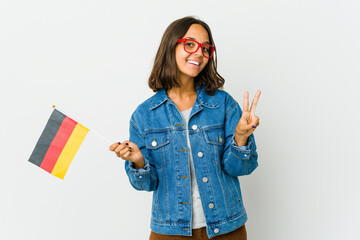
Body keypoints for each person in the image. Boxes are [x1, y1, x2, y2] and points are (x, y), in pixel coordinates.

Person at [109, 16, 261, 240]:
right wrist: (139, 162)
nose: (199, 53)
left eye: (206, 48)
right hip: (169, 232)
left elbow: (241, 168)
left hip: (227, 228)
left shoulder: (224, 104)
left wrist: (240, 139)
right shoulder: (144, 115)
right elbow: (146, 184)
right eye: (190, 44)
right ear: (171, 46)